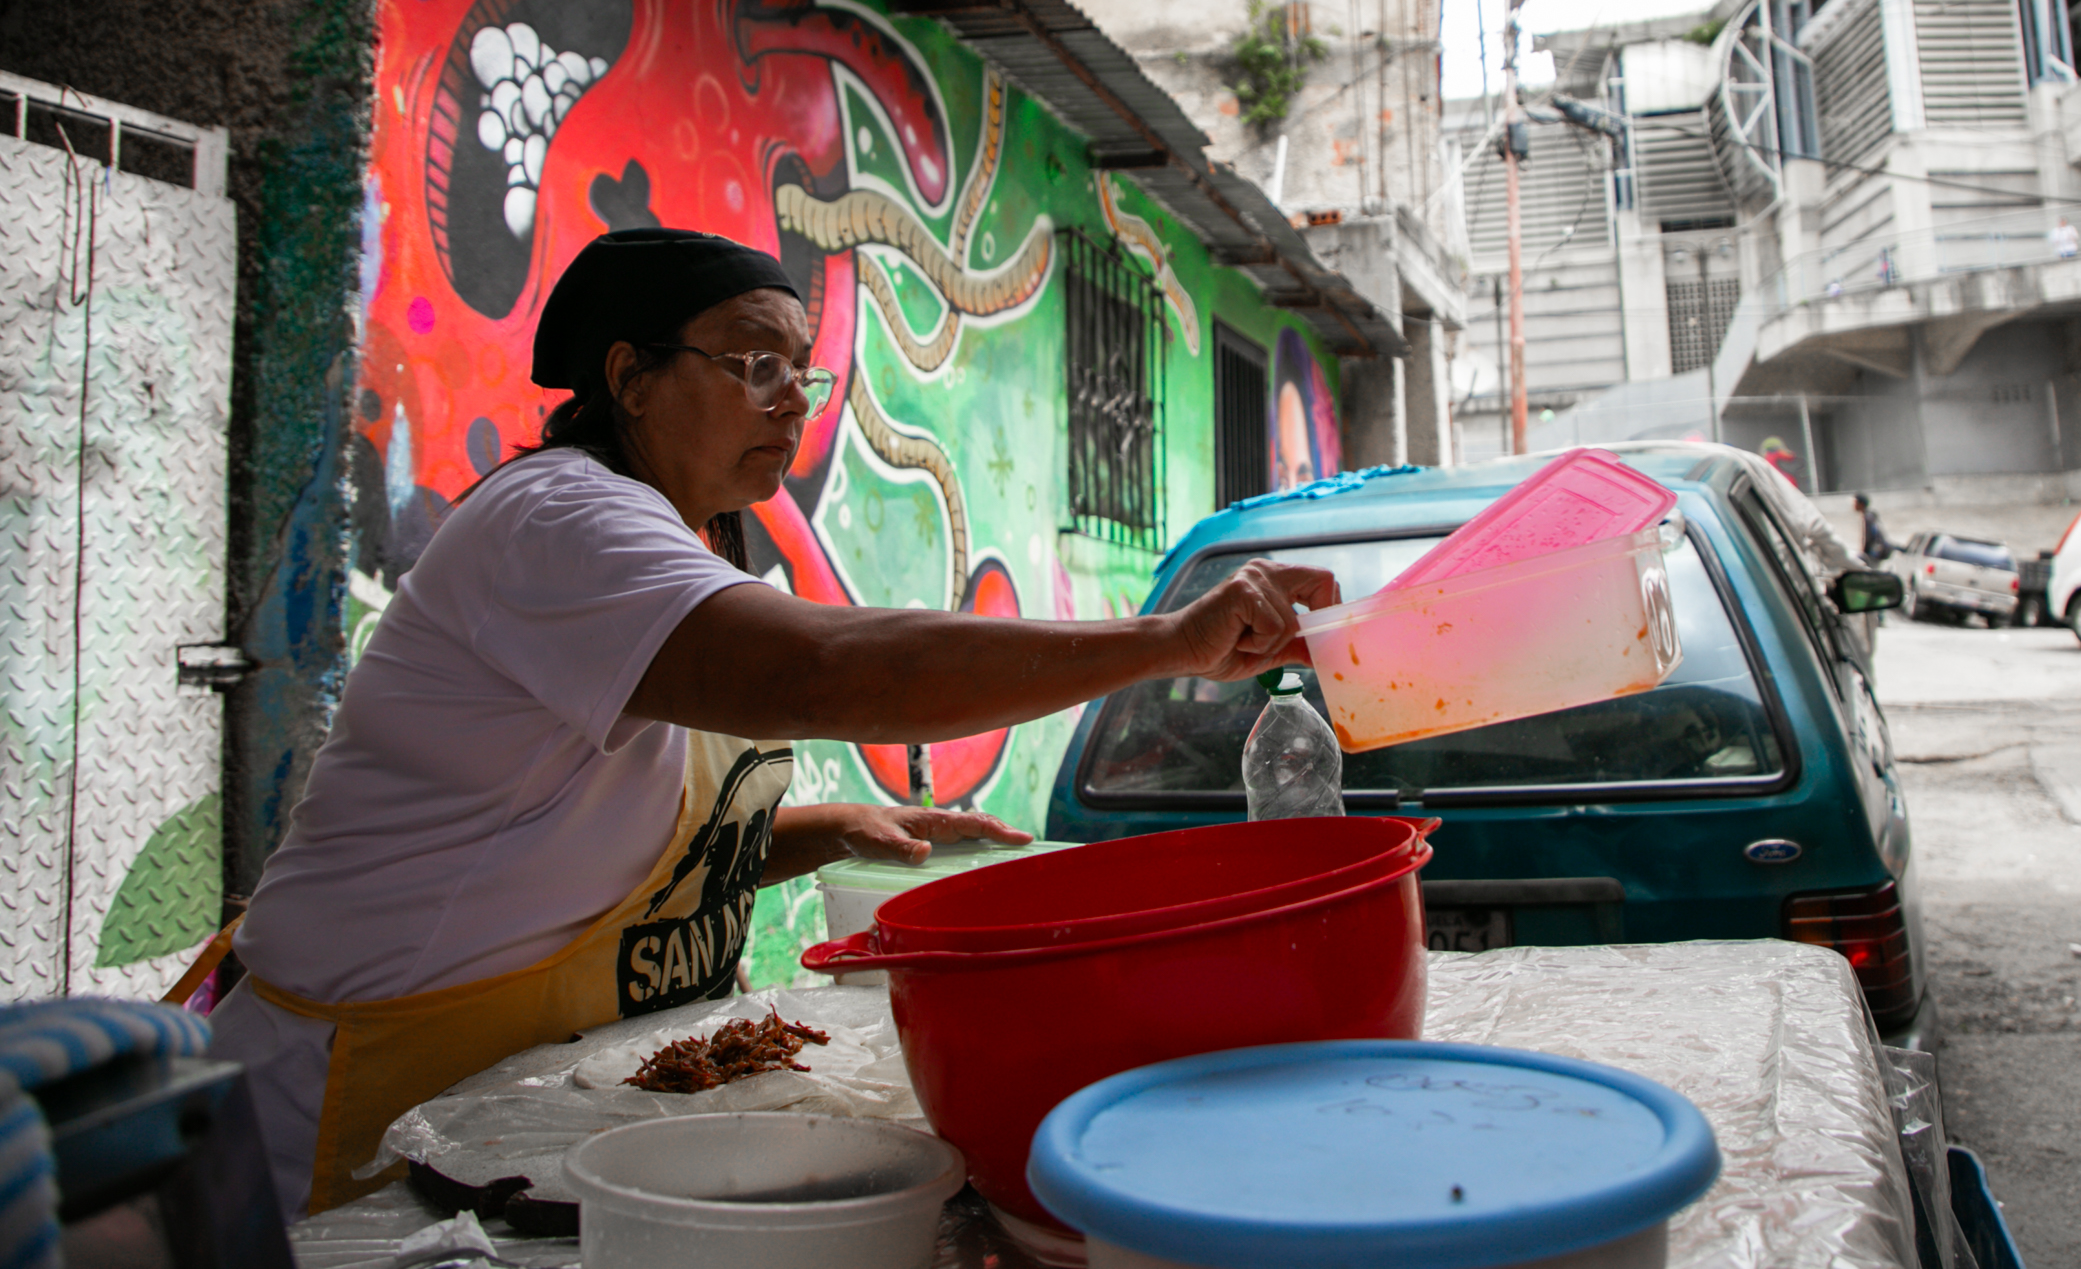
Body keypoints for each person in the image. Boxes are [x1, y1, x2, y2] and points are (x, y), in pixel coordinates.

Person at [208, 229, 1339, 1217]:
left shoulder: (685, 542)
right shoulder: (560, 523)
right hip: (353, 1103)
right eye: (754, 364)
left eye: (801, 370)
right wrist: (1168, 643)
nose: (792, 398)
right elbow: (825, 668)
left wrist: (829, 828)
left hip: (515, 1114)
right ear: (630, 376)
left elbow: (579, 845)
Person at [1855, 493, 1894, 563]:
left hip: (1877, 551)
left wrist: (1863, 554)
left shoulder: (1867, 518)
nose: (1853, 505)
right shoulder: (1871, 515)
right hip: (1881, 548)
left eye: (1855, 503)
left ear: (1861, 504)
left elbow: (1867, 538)